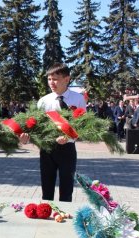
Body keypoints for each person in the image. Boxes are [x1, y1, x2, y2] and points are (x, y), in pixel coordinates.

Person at [35, 63, 86, 202]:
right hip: (47, 150)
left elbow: (83, 125)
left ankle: (65, 217)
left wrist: (68, 138)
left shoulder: (78, 99)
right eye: (49, 79)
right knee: (47, 188)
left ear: (67, 79)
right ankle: (46, 213)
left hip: (67, 149)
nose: (52, 82)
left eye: (55, 79)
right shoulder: (43, 101)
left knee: (67, 189)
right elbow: (39, 128)